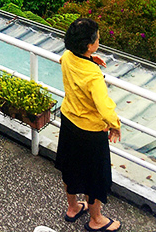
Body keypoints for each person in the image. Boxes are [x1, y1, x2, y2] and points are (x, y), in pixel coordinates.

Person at [55, 17, 122, 231]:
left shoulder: (67, 56)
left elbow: (69, 61)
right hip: (90, 132)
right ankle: (96, 220)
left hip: (69, 121)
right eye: (97, 39)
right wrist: (115, 124)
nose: (99, 40)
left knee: (70, 167)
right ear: (88, 45)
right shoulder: (93, 76)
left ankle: (73, 208)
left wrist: (89, 59)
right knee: (95, 176)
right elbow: (104, 106)